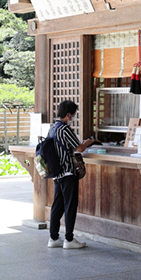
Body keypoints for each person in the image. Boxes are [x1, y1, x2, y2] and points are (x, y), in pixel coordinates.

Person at [47, 100, 96, 249]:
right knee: (70, 205)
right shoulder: (65, 129)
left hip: (57, 172)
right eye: (73, 115)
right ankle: (69, 239)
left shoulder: (52, 128)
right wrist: (88, 142)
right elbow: (79, 148)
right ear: (68, 115)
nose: (73, 117)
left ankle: (53, 238)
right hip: (68, 172)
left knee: (57, 205)